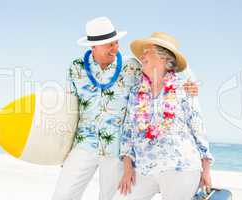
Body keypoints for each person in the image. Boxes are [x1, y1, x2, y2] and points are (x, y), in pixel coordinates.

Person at [52, 17, 199, 200]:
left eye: (116, 42)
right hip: (84, 143)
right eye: (108, 45)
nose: (115, 48)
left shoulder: (132, 66)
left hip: (116, 150)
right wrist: (62, 149)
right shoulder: (76, 68)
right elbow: (70, 110)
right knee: (63, 194)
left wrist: (189, 81)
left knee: (110, 197)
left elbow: (165, 67)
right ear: (93, 47)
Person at [113, 32, 214, 200]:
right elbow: (128, 133)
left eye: (148, 51)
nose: (142, 55)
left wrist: (206, 170)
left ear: (164, 59)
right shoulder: (136, 92)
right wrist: (127, 168)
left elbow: (198, 129)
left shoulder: (184, 89)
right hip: (143, 169)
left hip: (181, 167)